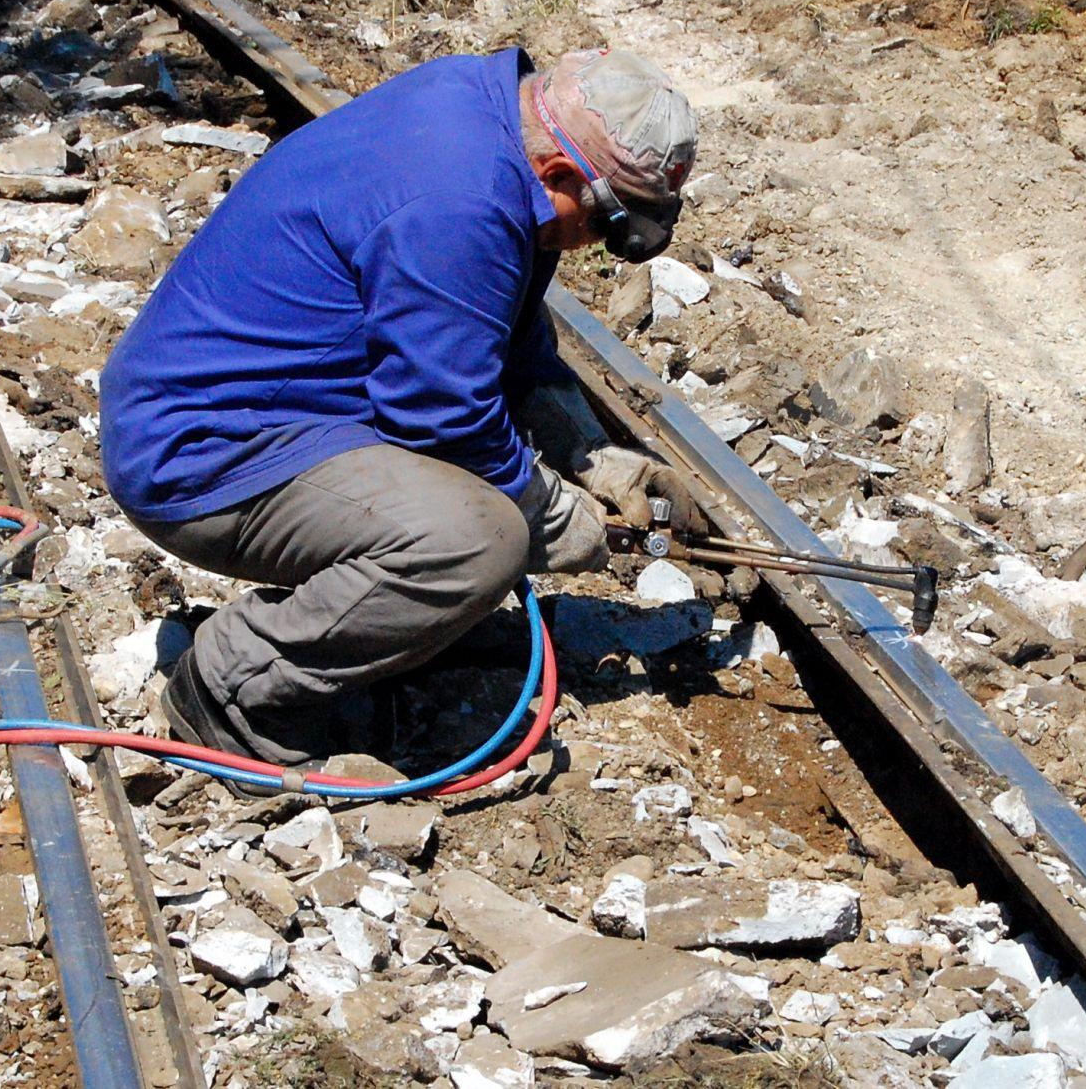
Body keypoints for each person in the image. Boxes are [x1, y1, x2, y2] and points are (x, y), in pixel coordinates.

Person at [97, 47, 705, 792]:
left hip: (259, 407)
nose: (597, 246)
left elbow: (494, 325)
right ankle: (233, 685)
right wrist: (555, 515)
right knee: (480, 540)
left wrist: (590, 455)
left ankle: (368, 623)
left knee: (482, 520)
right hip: (202, 451)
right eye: (605, 225)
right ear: (556, 172)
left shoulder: (491, 115)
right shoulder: (459, 203)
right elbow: (444, 416)